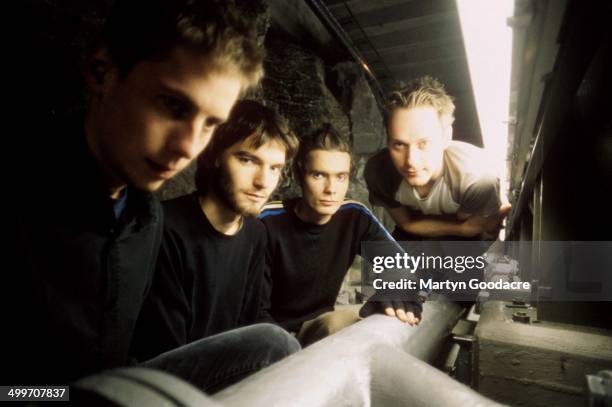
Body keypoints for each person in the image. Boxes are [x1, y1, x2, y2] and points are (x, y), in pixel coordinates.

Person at [4, 0, 298, 387]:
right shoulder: (23, 199)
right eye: (173, 106)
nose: (189, 147)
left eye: (210, 124)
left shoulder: (146, 217)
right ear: (101, 73)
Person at [132, 100, 301, 392]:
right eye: (248, 160)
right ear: (215, 156)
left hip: (222, 371)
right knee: (275, 344)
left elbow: (253, 317)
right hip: (156, 381)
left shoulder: (256, 233)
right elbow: (164, 347)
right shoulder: (164, 228)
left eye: (275, 168)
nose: (263, 182)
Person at [259, 125, 423, 347]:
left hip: (321, 327)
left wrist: (397, 285)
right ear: (299, 175)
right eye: (318, 175)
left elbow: (402, 266)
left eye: (340, 177)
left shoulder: (354, 216)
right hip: (270, 338)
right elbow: (253, 314)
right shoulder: (266, 221)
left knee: (381, 317)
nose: (331, 189)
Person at [364, 76, 510, 242]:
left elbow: (477, 230)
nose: (411, 161)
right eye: (399, 145)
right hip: (422, 232)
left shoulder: (477, 178)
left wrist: (479, 226)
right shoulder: (378, 171)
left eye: (424, 143)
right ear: (388, 141)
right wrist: (462, 228)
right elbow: (406, 224)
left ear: (446, 138)